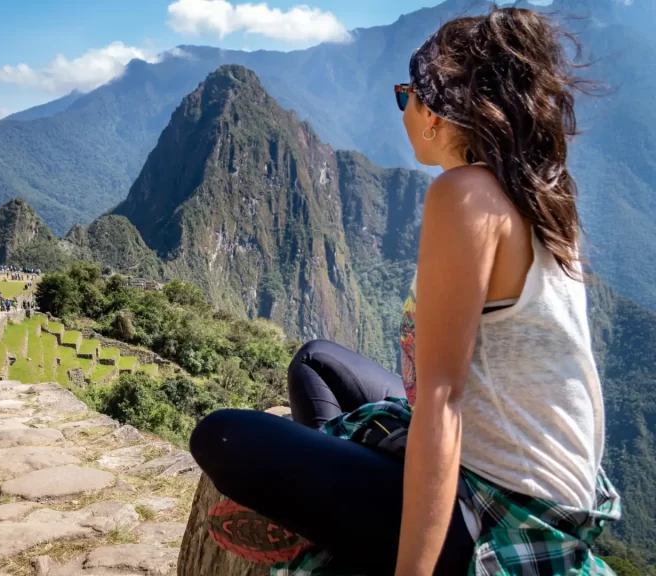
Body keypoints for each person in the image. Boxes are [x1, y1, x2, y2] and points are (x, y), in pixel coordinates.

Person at [189, 7, 618, 576]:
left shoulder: (464, 195)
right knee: (316, 361)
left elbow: (443, 396)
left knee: (220, 437)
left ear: (437, 113)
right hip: (540, 479)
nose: (404, 110)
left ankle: (371, 530)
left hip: (497, 504)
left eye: (406, 96)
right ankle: (356, 501)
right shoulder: (534, 189)